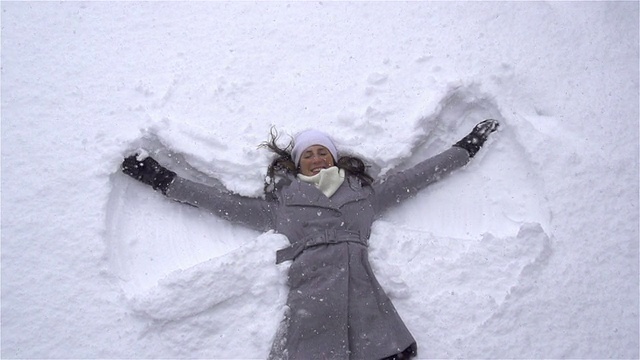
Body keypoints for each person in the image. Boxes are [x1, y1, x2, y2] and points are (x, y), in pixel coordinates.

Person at [121, 119, 499, 360]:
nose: (316, 159)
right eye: (308, 154)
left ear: (335, 159)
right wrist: (159, 177)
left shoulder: (365, 194)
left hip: (361, 289)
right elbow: (218, 202)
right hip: (311, 292)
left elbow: (417, 176)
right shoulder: (278, 204)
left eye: (323, 152)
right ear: (297, 163)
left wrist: (465, 147)